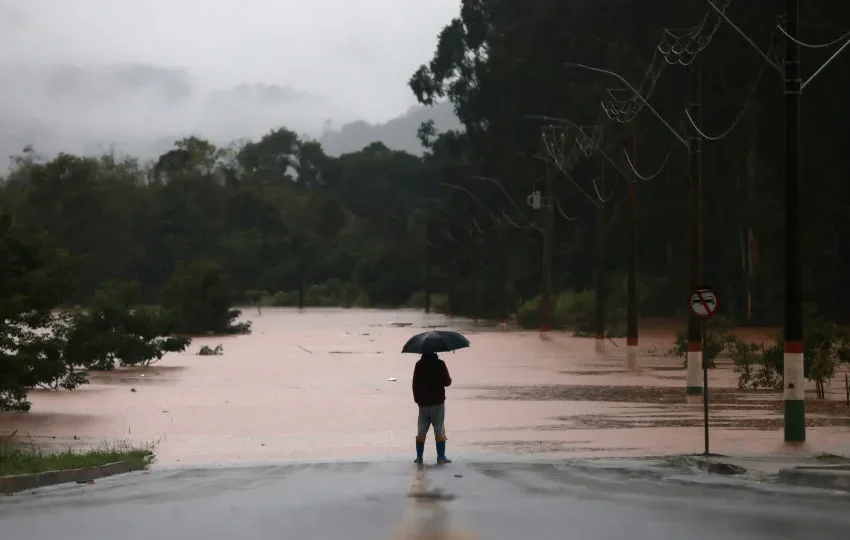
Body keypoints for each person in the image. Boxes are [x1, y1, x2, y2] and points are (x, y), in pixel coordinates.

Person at [412, 351, 453, 464]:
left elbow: (414, 384)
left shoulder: (419, 365)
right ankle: (441, 457)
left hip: (423, 403)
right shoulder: (440, 364)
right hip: (437, 403)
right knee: (439, 429)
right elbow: (447, 382)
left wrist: (417, 400)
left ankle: (419, 457)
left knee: (421, 430)